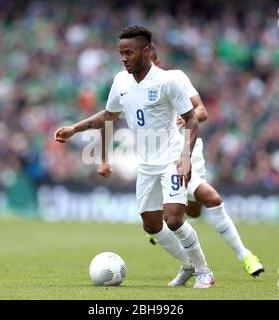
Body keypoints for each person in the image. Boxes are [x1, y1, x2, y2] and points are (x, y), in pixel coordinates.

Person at [54, 25, 215, 288]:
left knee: (173, 219)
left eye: (129, 53)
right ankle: (186, 265)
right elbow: (108, 116)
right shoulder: (120, 81)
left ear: (147, 51)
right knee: (151, 226)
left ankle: (204, 271)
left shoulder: (167, 82)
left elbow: (191, 120)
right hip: (147, 164)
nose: (124, 58)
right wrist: (75, 128)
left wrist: (185, 158)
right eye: (121, 53)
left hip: (171, 160)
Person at [97, 44, 264, 278]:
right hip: (166, 160)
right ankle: (239, 257)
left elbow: (201, 112)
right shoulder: (130, 87)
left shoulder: (173, 79)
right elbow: (109, 116)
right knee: (198, 205)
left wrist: (181, 120)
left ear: (156, 62)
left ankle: (235, 255)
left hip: (188, 153)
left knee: (193, 211)